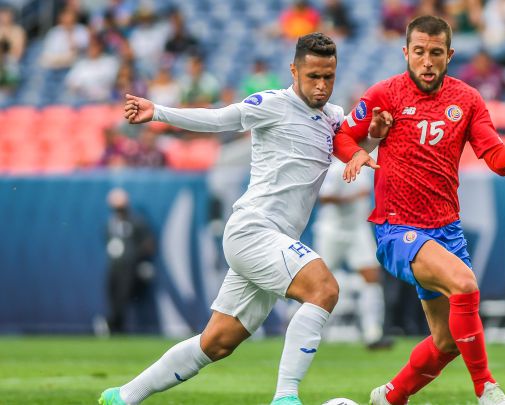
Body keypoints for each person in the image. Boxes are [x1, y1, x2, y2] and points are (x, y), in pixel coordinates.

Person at [333, 16, 505, 405]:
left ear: (450, 55)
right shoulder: (384, 94)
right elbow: (343, 134)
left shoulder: (467, 100)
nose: (427, 61)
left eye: (435, 53)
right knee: (464, 284)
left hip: (446, 231)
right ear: (405, 52)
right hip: (397, 229)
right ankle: (487, 390)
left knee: (446, 342)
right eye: (419, 52)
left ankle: (390, 397)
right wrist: (360, 151)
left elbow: (497, 159)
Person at [99, 33, 346, 405]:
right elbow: (219, 119)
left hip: (276, 242)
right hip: (254, 232)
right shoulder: (273, 105)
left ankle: (123, 396)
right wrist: (159, 112)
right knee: (323, 289)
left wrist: (374, 136)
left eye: (328, 76)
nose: (321, 85)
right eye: (313, 76)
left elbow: (360, 145)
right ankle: (285, 398)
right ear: (294, 70)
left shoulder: (333, 117)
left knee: (216, 342)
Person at [313, 157, 392, 350]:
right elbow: (323, 197)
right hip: (332, 231)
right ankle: (313, 332)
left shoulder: (365, 167)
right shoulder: (336, 168)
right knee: (318, 281)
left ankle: (373, 333)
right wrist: (353, 197)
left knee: (371, 277)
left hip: (358, 229)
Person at [104, 188, 156, 334]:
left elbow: (149, 244)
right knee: (112, 296)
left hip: (130, 267)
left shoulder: (136, 222)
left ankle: (116, 326)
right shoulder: (110, 224)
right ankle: (113, 325)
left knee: (123, 297)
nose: (118, 211)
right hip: (114, 266)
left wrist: (135, 256)